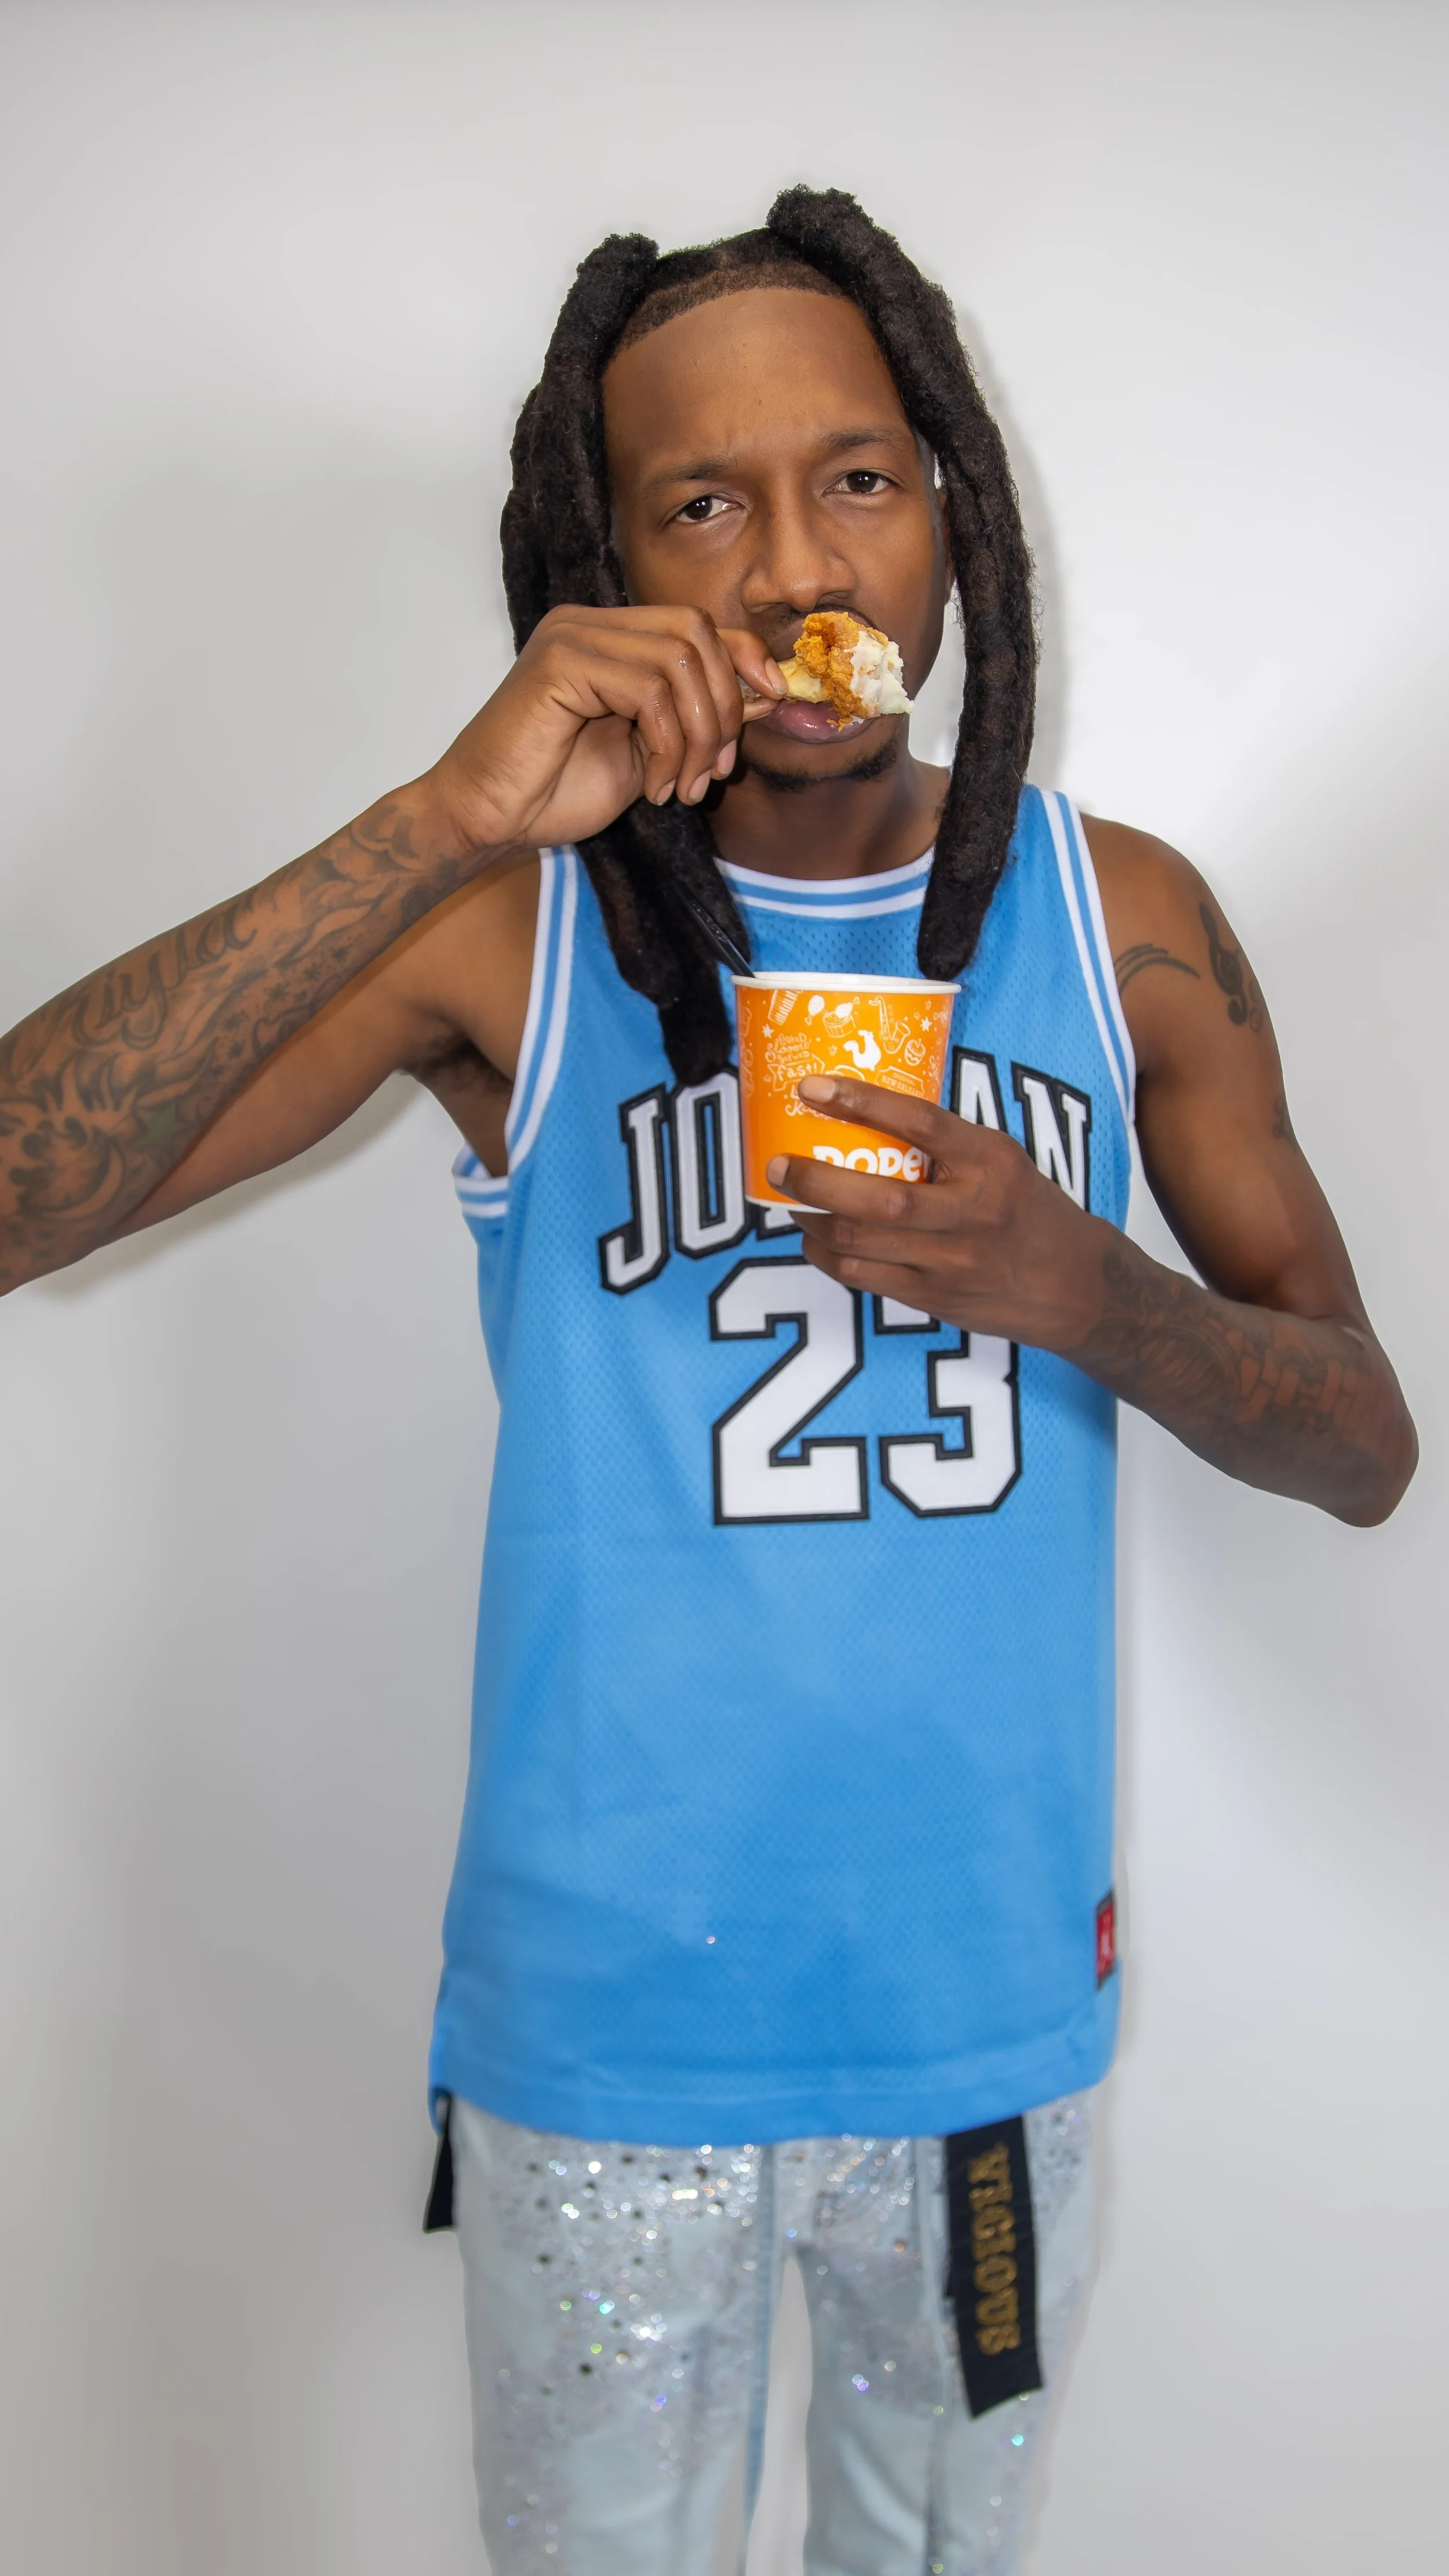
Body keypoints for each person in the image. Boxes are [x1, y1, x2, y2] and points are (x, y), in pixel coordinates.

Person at [0, 188, 1415, 2574]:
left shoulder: (1128, 920)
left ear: (953, 503)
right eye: (701, 500)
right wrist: (440, 813)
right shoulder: (502, 923)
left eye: (853, 475)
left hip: (981, 2027)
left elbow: (1365, 1445)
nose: (790, 568)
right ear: (608, 556)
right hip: (608, 2033)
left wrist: (1094, 1293)